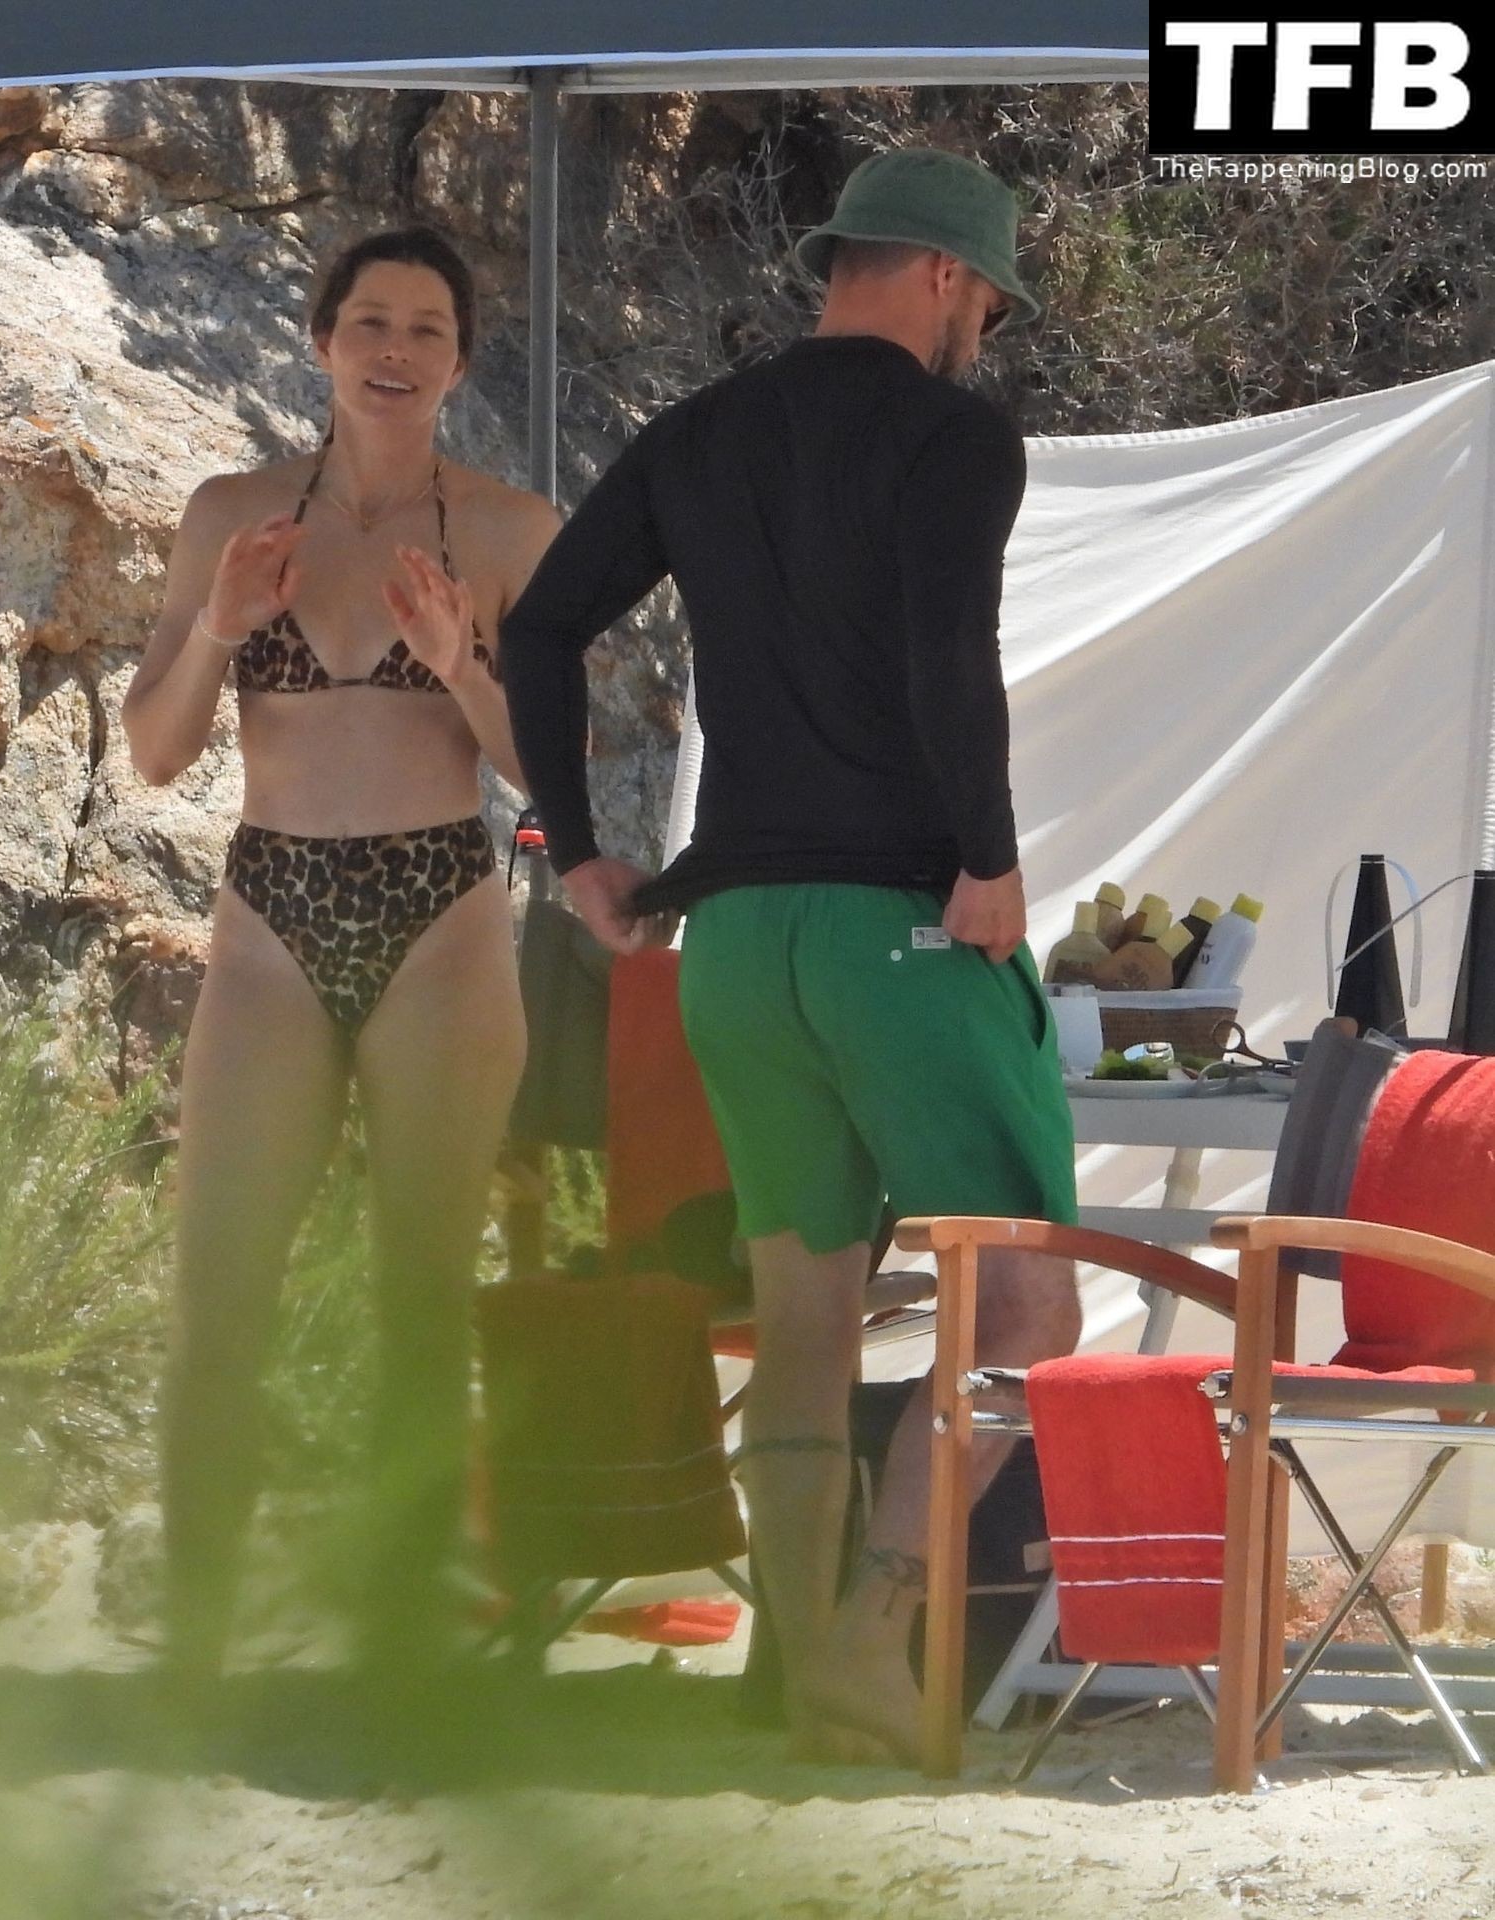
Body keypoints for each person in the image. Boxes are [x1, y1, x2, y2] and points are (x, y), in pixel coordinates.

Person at [499, 149, 1082, 1763]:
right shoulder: (954, 435)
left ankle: (793, 1665)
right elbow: (945, 648)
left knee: (807, 1318)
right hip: (897, 924)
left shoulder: (697, 431)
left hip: (734, 945)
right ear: (947, 278)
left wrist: (576, 850)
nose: (981, 332)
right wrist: (987, 860)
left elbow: (540, 626)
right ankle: (872, 1644)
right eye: (988, 303)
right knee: (1021, 1310)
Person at [123, 225, 560, 1682]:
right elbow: (155, 752)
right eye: (370, 321)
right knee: (219, 1298)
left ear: (459, 362)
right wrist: (219, 628)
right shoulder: (234, 514)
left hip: (439, 912)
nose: (395, 350)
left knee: (420, 1300)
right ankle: (193, 1654)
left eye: (427, 328)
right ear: (322, 342)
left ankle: (400, 1654)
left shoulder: (508, 531)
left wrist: (461, 666)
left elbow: (551, 775)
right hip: (271, 913)